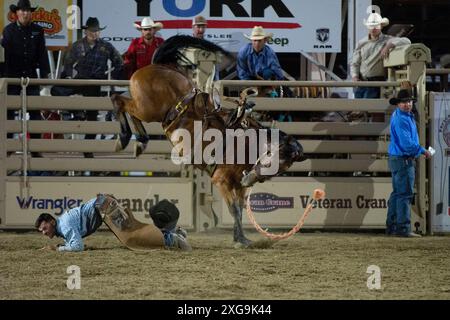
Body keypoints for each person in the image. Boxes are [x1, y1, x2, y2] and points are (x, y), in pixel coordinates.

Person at [50, 17, 124, 158]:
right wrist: (68, 77)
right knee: (56, 89)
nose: (95, 34)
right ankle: (77, 111)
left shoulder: (106, 46)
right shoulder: (77, 45)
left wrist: (113, 75)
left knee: (92, 117)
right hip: (80, 80)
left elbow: (119, 62)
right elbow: (68, 64)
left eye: (97, 31)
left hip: (96, 83)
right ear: (86, 31)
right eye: (92, 31)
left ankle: (87, 146)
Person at [35, 196, 190, 251]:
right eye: (41, 230)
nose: (44, 232)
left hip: (103, 208)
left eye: (44, 228)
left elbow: (77, 247)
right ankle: (175, 234)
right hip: (103, 204)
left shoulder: (65, 225)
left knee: (132, 238)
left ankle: (173, 239)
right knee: (133, 232)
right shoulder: (63, 224)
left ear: (52, 221)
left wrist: (58, 249)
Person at [1, 0, 50, 147]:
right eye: (22, 10)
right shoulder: (8, 30)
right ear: (16, 13)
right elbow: (6, 55)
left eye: (28, 10)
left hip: (31, 76)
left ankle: (35, 147)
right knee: (8, 112)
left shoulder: (38, 30)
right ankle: (8, 146)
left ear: (30, 13)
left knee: (35, 111)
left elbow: (42, 54)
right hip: (12, 76)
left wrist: (45, 80)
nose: (25, 13)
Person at [386, 88, 431, 237]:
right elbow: (407, 145)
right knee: (405, 194)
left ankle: (392, 226)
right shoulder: (402, 119)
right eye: (404, 102)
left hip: (397, 159)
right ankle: (403, 228)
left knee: (397, 194)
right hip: (403, 160)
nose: (408, 104)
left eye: (409, 101)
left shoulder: (400, 116)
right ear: (398, 104)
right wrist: (423, 151)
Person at [351, 9, 411, 100]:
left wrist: (388, 46)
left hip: (376, 83)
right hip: (361, 82)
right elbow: (355, 63)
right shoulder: (361, 43)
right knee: (357, 108)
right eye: (371, 26)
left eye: (376, 26)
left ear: (381, 26)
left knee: (367, 107)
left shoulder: (387, 40)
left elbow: (407, 41)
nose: (373, 28)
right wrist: (355, 76)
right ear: (368, 27)